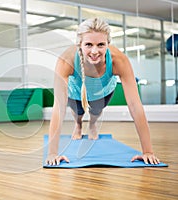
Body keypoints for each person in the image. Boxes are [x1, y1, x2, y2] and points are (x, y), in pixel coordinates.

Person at [45, 18, 160, 166]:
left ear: (108, 44)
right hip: (77, 92)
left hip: (103, 91)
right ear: (80, 44)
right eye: (88, 44)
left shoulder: (119, 60)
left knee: (96, 111)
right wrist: (52, 153)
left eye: (100, 45)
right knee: (78, 112)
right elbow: (59, 108)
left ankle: (92, 124)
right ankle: (78, 124)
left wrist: (148, 151)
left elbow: (135, 105)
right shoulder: (65, 60)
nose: (94, 51)